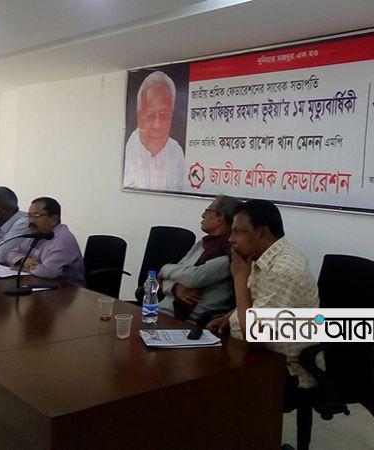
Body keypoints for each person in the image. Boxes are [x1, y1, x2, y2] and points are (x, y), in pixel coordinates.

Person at [206, 199, 319, 388]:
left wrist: (240, 279)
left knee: (202, 383)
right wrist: (229, 317)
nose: (231, 239)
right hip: (252, 353)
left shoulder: (282, 270)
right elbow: (260, 301)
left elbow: (255, 337)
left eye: (238, 232)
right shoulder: (263, 256)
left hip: (283, 369)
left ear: (262, 233)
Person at [157, 195, 241, 322]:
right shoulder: (203, 244)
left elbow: (193, 278)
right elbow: (168, 278)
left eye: (208, 211)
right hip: (162, 311)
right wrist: (175, 288)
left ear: (220, 218)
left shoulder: (229, 254)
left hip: (190, 322)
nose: (203, 215)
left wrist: (164, 269)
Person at [123, 71, 185, 191]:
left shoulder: (176, 153)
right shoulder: (127, 149)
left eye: (164, 115)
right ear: (140, 117)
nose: (157, 126)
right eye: (151, 116)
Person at [7, 197, 85, 286]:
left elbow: (47, 272)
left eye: (36, 216)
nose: (31, 221)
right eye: (29, 216)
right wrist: (23, 260)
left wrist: (20, 267)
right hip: (38, 284)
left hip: (67, 290)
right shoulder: (36, 233)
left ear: (54, 220)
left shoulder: (63, 240)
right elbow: (11, 254)